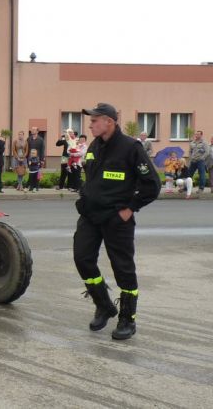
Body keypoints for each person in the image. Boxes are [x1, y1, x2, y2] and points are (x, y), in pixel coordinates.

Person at [74, 103, 160, 341]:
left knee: (123, 268)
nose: (90, 125)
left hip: (116, 218)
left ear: (109, 122)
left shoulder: (131, 147)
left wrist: (131, 208)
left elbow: (152, 185)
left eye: (94, 121)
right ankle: (103, 304)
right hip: (90, 215)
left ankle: (127, 319)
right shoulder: (94, 145)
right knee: (82, 258)